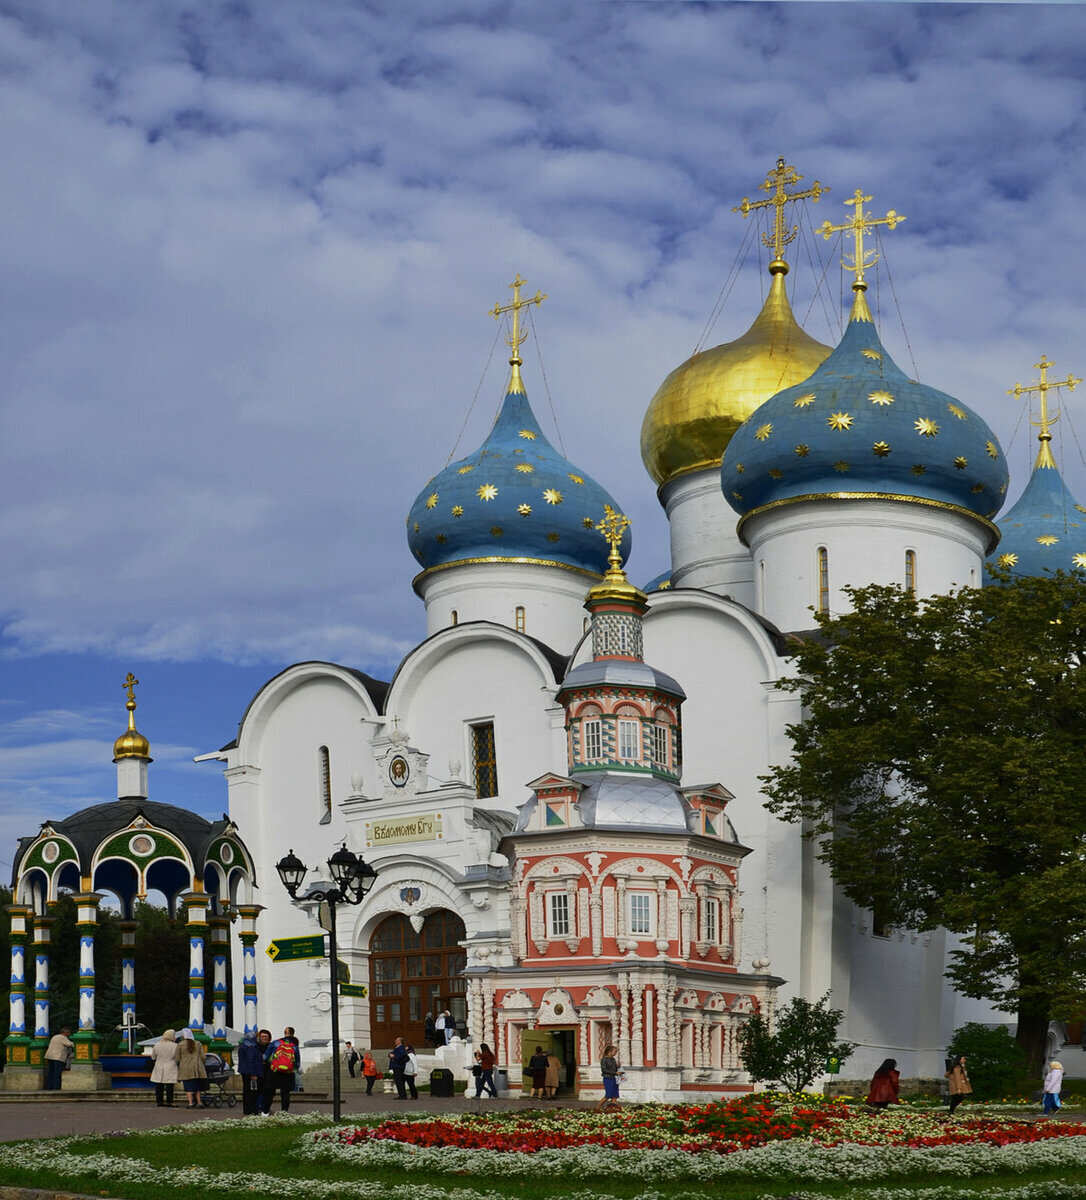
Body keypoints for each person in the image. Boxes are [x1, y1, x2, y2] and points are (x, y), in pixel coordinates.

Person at [264, 1027, 299, 1112]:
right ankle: (284, 1111)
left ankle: (266, 1111)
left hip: (274, 1071)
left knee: (270, 1091)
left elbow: (265, 1056)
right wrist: (294, 1069)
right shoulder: (294, 1045)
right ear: (293, 1033)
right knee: (285, 1093)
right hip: (288, 1072)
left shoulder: (276, 1042)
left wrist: (268, 1064)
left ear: (285, 1033)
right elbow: (297, 1061)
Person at [176, 1029, 207, 1108]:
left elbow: (177, 1058)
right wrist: (202, 1063)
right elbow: (203, 1057)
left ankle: (190, 1103)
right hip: (197, 1068)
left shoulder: (180, 1044)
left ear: (184, 1036)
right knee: (197, 1086)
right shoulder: (198, 1043)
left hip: (185, 1068)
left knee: (188, 1086)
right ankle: (199, 1102)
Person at [236, 1029, 265, 1116]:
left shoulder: (243, 1045)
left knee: (247, 1091)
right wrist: (254, 1074)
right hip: (251, 1072)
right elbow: (251, 1060)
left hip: (244, 1071)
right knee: (253, 1092)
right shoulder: (251, 1047)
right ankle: (253, 1109)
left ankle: (247, 1110)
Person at [147, 1028, 178, 1107]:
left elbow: (153, 1057)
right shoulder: (175, 1046)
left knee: (159, 1085)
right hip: (171, 1065)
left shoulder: (157, 1044)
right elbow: (177, 1058)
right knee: (169, 1085)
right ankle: (169, 1101)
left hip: (159, 1065)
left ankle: (159, 1101)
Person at [43, 1027, 73, 1091]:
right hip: (58, 1057)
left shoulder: (55, 1036)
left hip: (50, 1056)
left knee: (51, 1072)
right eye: (69, 1033)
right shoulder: (63, 1037)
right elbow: (69, 1044)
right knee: (57, 1073)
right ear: (65, 1033)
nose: (69, 1034)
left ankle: (49, 1087)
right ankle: (56, 1087)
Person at [598, 1044, 621, 1112]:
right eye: (615, 1051)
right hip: (608, 1079)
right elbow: (604, 1070)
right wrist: (615, 1073)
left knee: (615, 1095)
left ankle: (613, 1109)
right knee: (608, 1095)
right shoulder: (604, 1059)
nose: (615, 1053)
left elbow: (614, 1069)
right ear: (610, 1051)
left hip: (614, 1078)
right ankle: (597, 1108)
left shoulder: (613, 1059)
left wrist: (618, 1066)